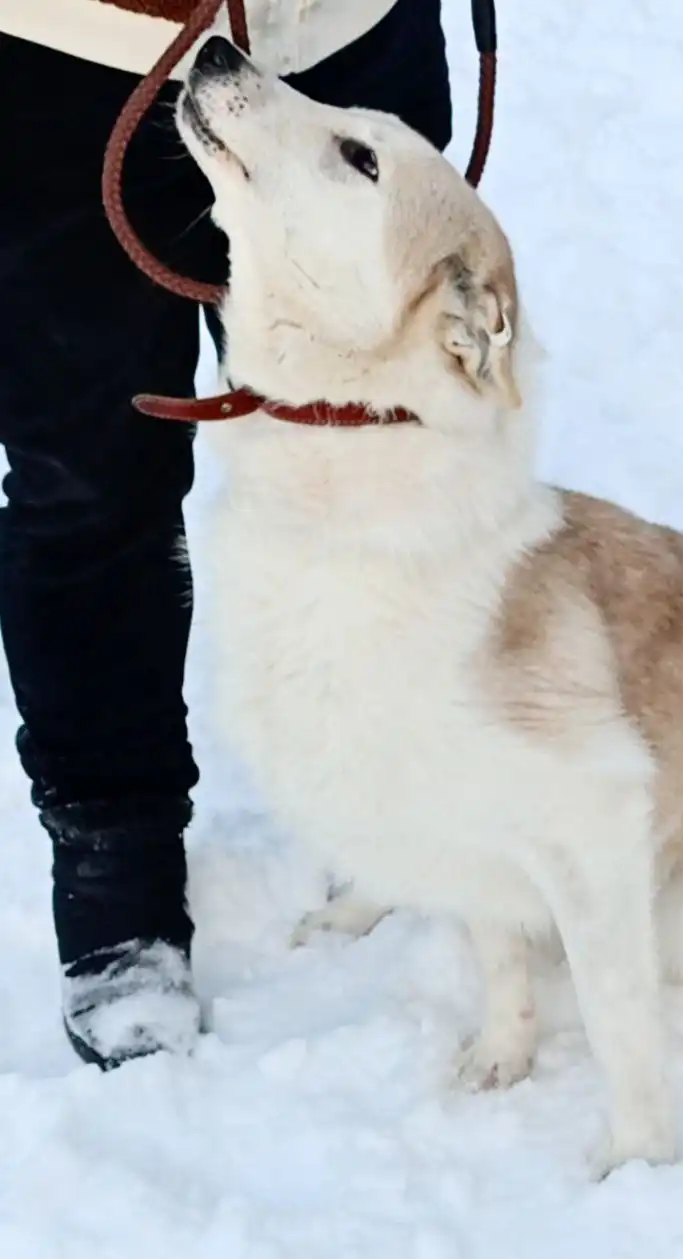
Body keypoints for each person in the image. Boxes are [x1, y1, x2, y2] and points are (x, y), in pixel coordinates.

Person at [0, 0, 452, 1069]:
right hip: (71, 47)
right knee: (90, 474)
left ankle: (383, 782)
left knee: (381, 435)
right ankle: (115, 860)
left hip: (347, 27)